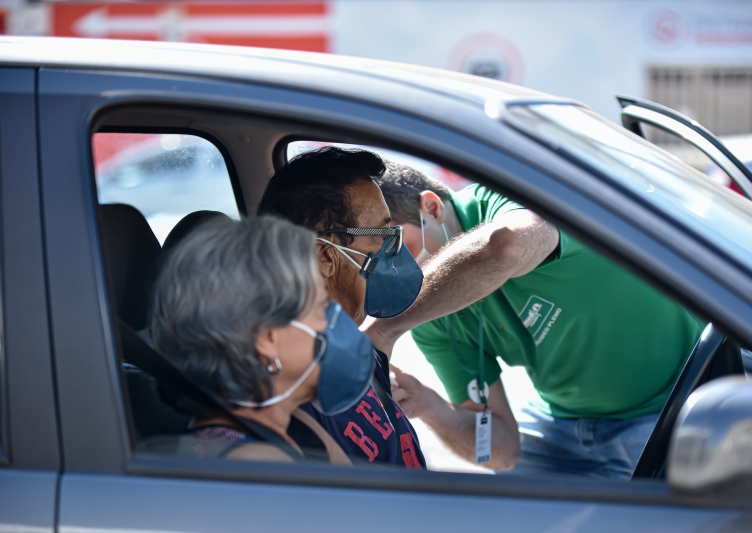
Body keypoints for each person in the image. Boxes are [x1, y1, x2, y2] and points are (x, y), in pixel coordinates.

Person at [364, 162, 704, 478]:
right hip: (558, 421)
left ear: (432, 208)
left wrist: (385, 327)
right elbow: (502, 452)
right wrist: (429, 405)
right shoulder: (428, 316)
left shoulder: (504, 200)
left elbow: (507, 246)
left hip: (665, 409)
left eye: (394, 247)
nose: (391, 273)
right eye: (372, 262)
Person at [149, 214, 374, 463]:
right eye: (321, 306)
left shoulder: (295, 426)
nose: (334, 317)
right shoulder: (254, 462)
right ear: (268, 338)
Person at [258, 147, 426, 469]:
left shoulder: (356, 352)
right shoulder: (289, 392)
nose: (392, 249)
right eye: (381, 235)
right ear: (325, 256)